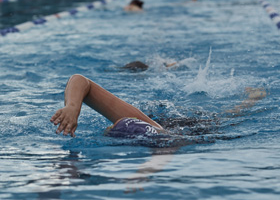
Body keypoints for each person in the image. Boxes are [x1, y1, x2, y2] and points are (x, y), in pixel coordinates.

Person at [50, 74, 266, 139]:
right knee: (222, 119)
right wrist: (72, 107)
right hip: (163, 125)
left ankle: (253, 99)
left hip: (178, 131)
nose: (108, 128)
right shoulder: (144, 124)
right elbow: (81, 80)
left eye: (111, 128)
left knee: (225, 119)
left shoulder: (165, 142)